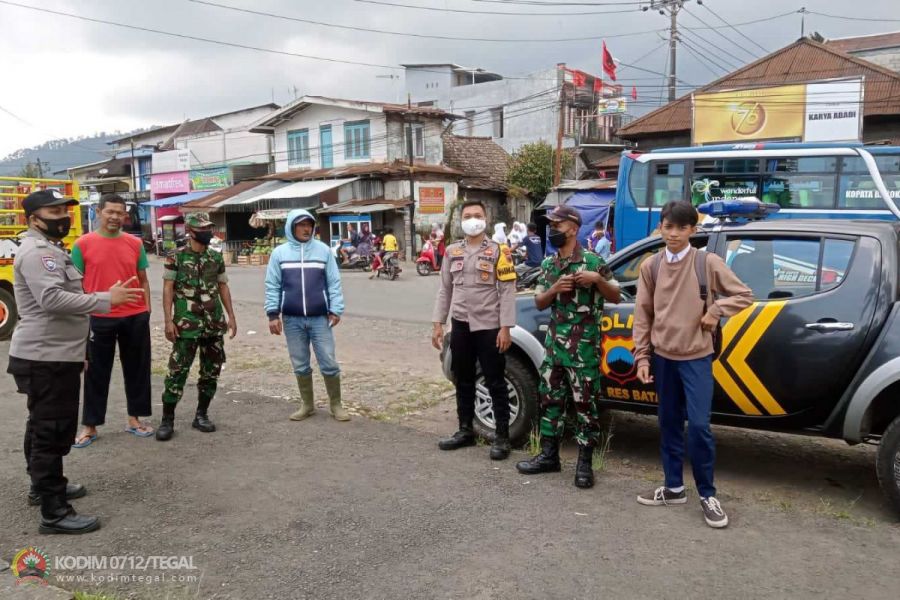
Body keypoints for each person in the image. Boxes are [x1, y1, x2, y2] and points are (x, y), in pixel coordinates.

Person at [8, 189, 143, 534]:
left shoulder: (51, 249)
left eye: (64, 210)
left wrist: (79, 350)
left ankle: (43, 487)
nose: (62, 217)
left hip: (56, 354)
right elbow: (52, 299)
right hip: (45, 357)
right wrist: (105, 299)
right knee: (50, 431)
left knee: (41, 425)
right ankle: (54, 512)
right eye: (53, 211)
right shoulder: (39, 253)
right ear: (34, 218)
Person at [633, 200, 752, 528]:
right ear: (660, 227)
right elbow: (642, 314)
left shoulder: (706, 262)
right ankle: (673, 488)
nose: (673, 234)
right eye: (667, 227)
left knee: (699, 427)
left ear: (693, 230)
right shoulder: (651, 267)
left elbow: (744, 295)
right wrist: (642, 356)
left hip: (697, 359)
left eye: (681, 228)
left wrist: (715, 311)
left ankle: (707, 494)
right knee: (669, 424)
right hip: (663, 359)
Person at [516, 205, 620, 489]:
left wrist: (597, 280)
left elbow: (618, 295)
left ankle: (584, 464)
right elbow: (539, 301)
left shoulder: (592, 261)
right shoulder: (549, 265)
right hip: (554, 350)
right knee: (550, 402)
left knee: (585, 406)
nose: (552, 229)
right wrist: (554, 289)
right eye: (551, 225)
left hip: (583, 351)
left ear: (573, 228)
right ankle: (549, 457)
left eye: (557, 225)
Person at [431, 199, 517, 460]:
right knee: (463, 377)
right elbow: (445, 288)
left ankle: (502, 436)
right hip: (460, 324)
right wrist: (438, 323)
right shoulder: (452, 251)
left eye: (477, 215)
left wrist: (506, 328)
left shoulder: (500, 251)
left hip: (489, 326)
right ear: (461, 221)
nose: (472, 219)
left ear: (486, 219)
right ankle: (465, 429)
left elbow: (507, 291)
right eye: (467, 215)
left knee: (495, 380)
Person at [71, 194, 153, 448]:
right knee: (96, 373)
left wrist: (146, 309)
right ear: (98, 211)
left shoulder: (134, 243)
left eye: (120, 212)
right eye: (111, 212)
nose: (116, 217)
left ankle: (134, 419)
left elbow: (143, 279)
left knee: (137, 369)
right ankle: (90, 426)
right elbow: (75, 286)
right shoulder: (82, 244)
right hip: (97, 317)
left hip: (134, 315)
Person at [157, 212, 237, 441]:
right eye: (203, 229)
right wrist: (168, 320)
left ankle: (201, 415)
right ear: (191, 232)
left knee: (211, 370)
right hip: (186, 324)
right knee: (177, 371)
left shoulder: (215, 257)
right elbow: (168, 288)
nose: (208, 233)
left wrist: (231, 316)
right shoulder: (176, 256)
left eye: (209, 228)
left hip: (213, 323)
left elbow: (223, 287)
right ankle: (167, 419)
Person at [265, 209, 349, 422]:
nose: (306, 229)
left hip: (320, 318)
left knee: (329, 361)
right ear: (292, 227)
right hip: (291, 320)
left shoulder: (323, 251)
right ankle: (307, 405)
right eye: (301, 225)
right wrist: (272, 314)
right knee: (300, 363)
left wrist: (336, 309)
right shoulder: (280, 254)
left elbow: (334, 281)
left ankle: (336, 404)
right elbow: (272, 285)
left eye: (309, 225)